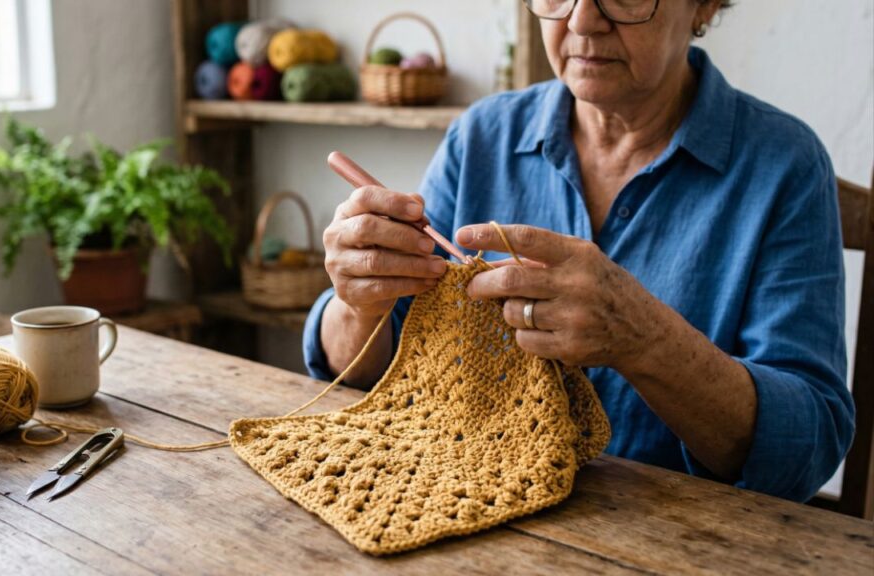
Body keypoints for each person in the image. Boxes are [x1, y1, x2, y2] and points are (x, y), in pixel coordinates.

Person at [303, 0, 855, 502]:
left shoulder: (785, 165)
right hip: (474, 506)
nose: (582, 20)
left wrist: (644, 339)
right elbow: (380, 373)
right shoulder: (482, 136)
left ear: (704, 6)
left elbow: (807, 445)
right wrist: (359, 305)